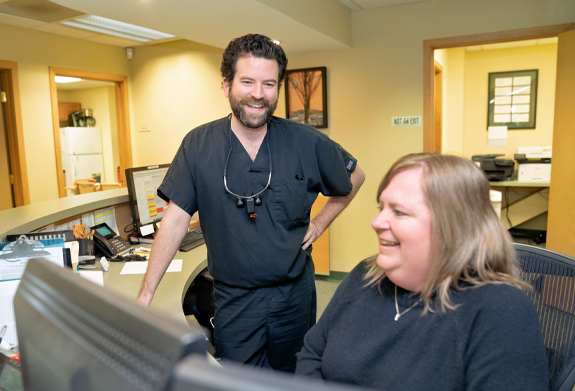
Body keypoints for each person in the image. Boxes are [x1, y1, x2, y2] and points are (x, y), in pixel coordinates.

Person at [136, 33, 365, 373]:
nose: (258, 94)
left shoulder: (305, 141)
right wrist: (145, 296)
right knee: (241, 382)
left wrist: (319, 223)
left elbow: (355, 176)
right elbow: (175, 219)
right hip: (235, 301)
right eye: (248, 81)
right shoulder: (198, 145)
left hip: (294, 298)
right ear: (226, 85)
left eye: (269, 84)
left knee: (295, 379)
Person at [296, 153, 548, 390]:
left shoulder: (500, 311)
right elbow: (312, 354)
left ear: (453, 228)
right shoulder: (364, 275)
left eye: (399, 212)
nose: (376, 222)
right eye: (380, 208)